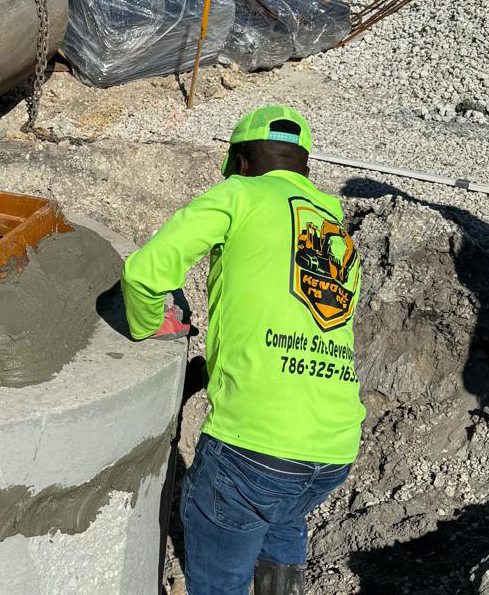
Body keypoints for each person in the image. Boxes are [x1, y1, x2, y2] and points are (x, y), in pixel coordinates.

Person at [122, 106, 365, 595]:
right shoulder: (334, 227)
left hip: (254, 448)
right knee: (283, 514)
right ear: (305, 169)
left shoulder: (239, 194)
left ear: (243, 161)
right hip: (334, 449)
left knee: (220, 577)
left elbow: (144, 272)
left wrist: (148, 323)